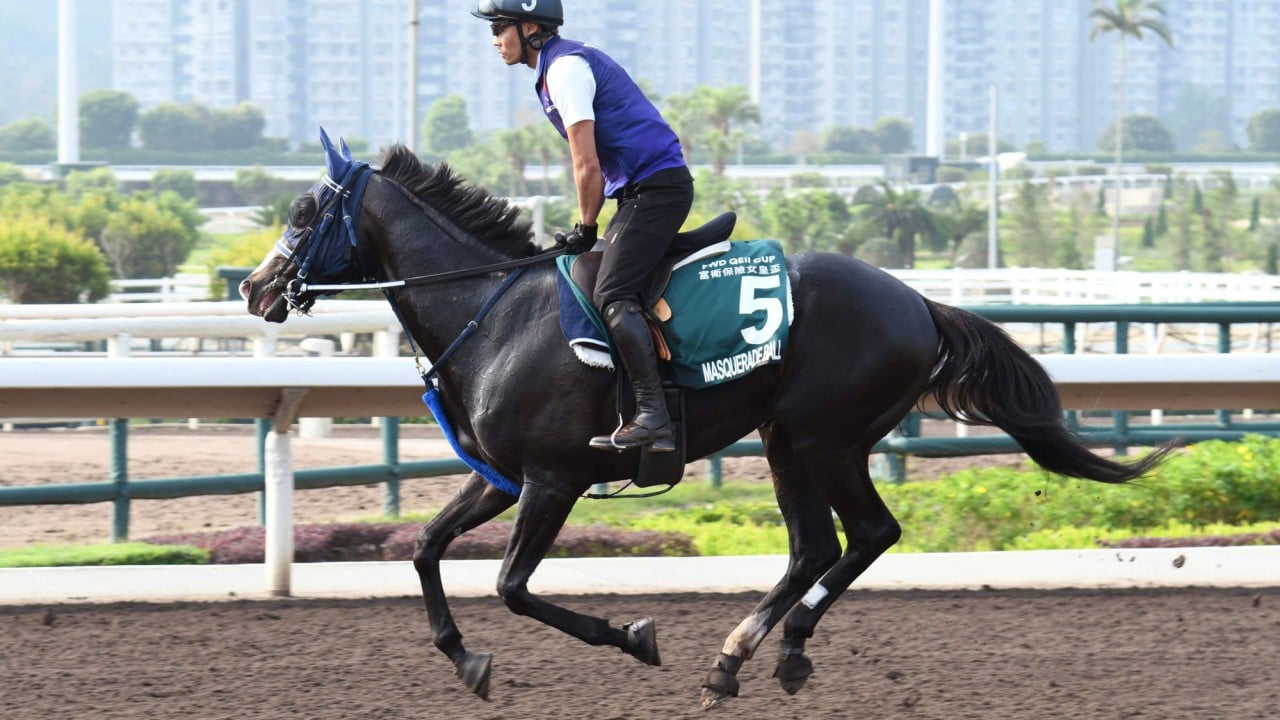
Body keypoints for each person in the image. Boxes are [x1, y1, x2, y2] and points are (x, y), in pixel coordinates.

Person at [473, 0, 693, 453]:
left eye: (500, 27)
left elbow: (586, 165)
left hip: (656, 191)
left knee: (612, 293)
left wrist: (586, 225)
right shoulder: (556, 67)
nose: (495, 39)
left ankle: (654, 417)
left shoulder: (565, 69)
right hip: (641, 192)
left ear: (530, 26)